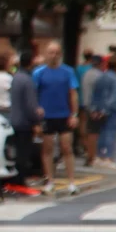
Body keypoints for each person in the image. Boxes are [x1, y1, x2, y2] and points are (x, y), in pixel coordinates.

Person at [32, 42, 80, 195]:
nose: (53, 56)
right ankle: (50, 181)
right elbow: (33, 94)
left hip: (64, 115)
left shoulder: (68, 71)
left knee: (67, 148)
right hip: (47, 116)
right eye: (50, 52)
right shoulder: (39, 72)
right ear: (46, 54)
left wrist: (74, 114)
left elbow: (73, 93)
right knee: (47, 149)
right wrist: (36, 111)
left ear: (60, 54)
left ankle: (71, 182)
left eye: (56, 52)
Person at [9, 51, 43, 190]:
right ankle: (20, 179)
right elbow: (30, 104)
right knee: (24, 152)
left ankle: (17, 177)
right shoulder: (28, 80)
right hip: (24, 122)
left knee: (18, 151)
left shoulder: (16, 77)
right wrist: (36, 120)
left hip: (14, 119)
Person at [90, 58, 116, 169]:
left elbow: (95, 94)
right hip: (110, 110)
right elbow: (114, 96)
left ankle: (99, 157)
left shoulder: (101, 76)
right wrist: (106, 109)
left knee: (101, 133)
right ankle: (107, 158)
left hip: (99, 109)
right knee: (109, 133)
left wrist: (95, 109)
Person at [79, 54, 104, 166]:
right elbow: (98, 94)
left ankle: (88, 152)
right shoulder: (99, 75)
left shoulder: (87, 73)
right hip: (94, 108)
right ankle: (92, 156)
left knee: (86, 130)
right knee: (93, 132)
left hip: (85, 105)